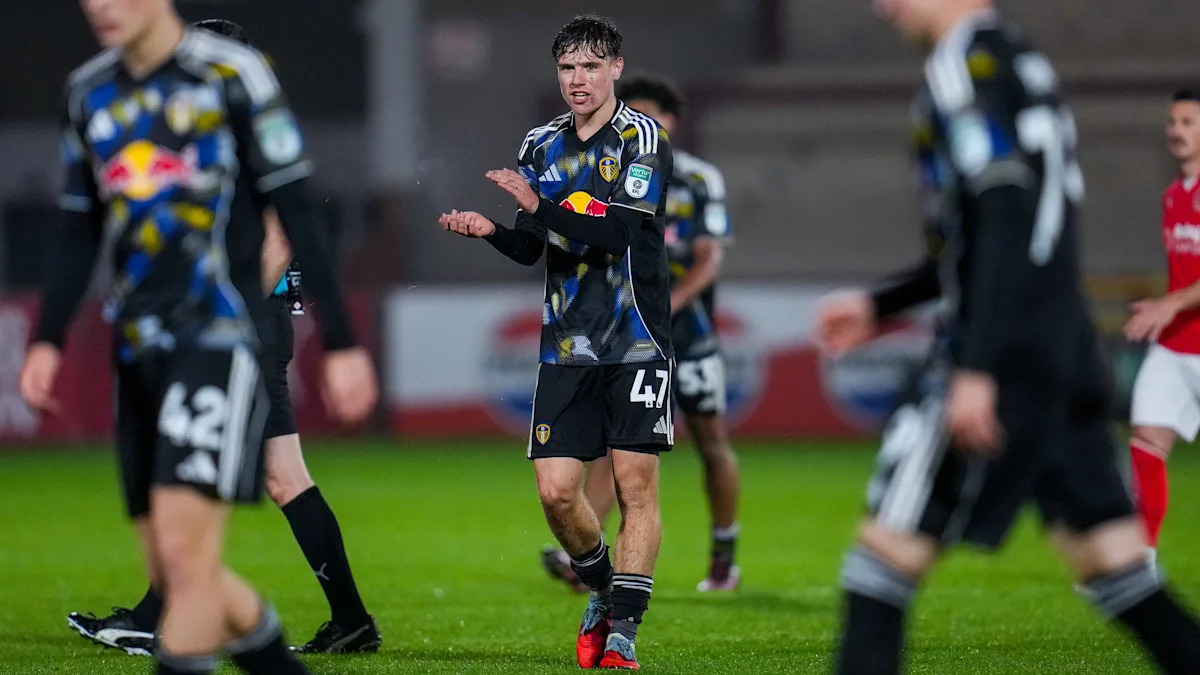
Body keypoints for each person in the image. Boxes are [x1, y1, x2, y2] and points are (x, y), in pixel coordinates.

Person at [818, 1, 1200, 673]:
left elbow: (1005, 207)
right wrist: (883, 304)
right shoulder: (1021, 61)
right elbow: (1000, 229)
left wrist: (977, 366)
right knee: (1116, 567)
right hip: (1065, 352)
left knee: (880, 565)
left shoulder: (964, 67)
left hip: (1006, 358)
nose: (883, 5)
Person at [20, 2, 377, 673]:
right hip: (160, 332)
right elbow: (86, 223)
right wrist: (50, 336)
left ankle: (159, 618)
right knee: (275, 479)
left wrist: (316, 332)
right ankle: (348, 620)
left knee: (197, 505)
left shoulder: (238, 101)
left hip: (230, 333)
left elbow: (286, 229)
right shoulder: (106, 97)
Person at [439, 14, 672, 670]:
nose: (578, 79)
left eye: (591, 66)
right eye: (568, 67)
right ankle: (603, 589)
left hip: (636, 337)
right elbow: (531, 246)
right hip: (567, 343)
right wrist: (492, 230)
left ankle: (623, 636)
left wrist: (539, 207)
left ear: (616, 68)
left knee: (634, 487)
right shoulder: (540, 145)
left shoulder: (642, 138)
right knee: (556, 492)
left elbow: (617, 234)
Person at [541, 73, 741, 594]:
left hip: (688, 332)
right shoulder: (608, 169)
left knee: (711, 440)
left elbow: (709, 259)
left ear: (672, 121)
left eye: (654, 116)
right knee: (619, 447)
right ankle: (585, 557)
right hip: (626, 331)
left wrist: (669, 304)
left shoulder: (698, 179)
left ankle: (724, 554)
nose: (643, 124)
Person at [1123, 88, 1200, 566]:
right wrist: (1165, 310)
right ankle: (1142, 565)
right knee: (1146, 442)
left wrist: (1170, 304)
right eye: (1173, 122)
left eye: (1188, 122)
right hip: (1174, 347)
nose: (1176, 131)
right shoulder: (1174, 196)